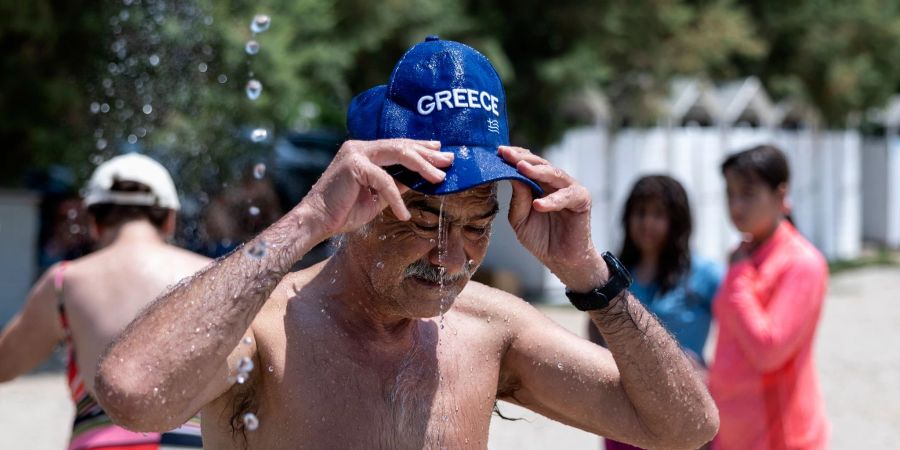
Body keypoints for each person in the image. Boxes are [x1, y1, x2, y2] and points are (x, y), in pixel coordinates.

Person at [94, 37, 718, 449]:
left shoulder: (489, 332)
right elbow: (131, 392)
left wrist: (592, 277)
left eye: (476, 225)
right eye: (421, 218)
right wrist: (307, 218)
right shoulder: (269, 331)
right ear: (361, 201)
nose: (451, 259)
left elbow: (688, 428)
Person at [0, 153, 210, 449]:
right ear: (170, 220)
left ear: (94, 222)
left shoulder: (66, 282)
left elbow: (5, 365)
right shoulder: (213, 276)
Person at [708, 144, 830, 449]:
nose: (736, 205)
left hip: (781, 436)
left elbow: (768, 350)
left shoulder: (802, 263)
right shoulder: (747, 253)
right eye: (730, 194)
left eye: (747, 193)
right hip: (734, 432)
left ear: (780, 194)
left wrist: (738, 278)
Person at [589, 175, 722, 450]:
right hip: (627, 407)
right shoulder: (613, 274)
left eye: (658, 214)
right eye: (640, 212)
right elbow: (595, 327)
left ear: (678, 220)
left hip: (687, 405)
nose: (647, 222)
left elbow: (736, 330)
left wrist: (715, 374)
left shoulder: (704, 275)